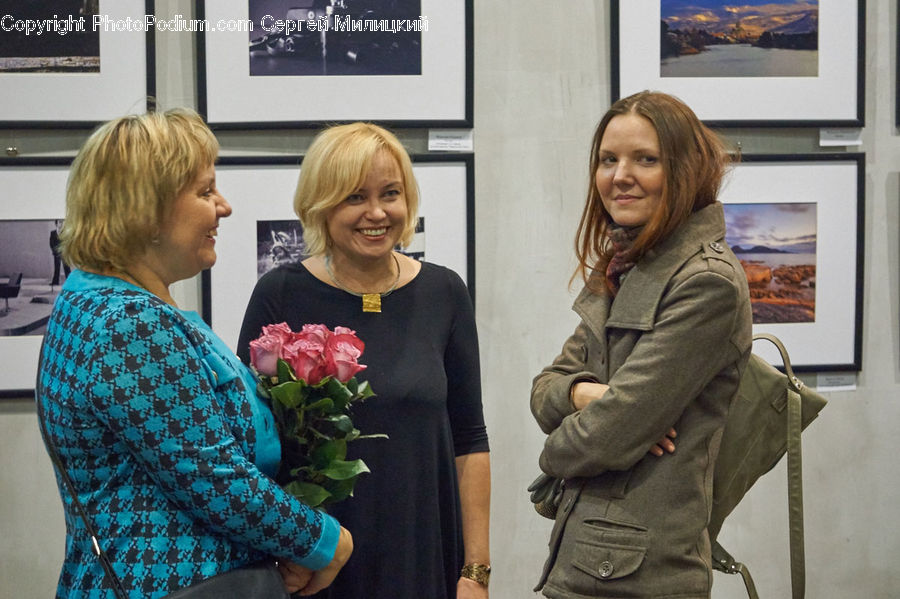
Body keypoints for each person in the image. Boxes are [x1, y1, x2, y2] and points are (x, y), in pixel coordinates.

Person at [35, 108, 352, 598]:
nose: (222, 207)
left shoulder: (95, 298)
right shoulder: (131, 324)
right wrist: (327, 541)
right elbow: (213, 478)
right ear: (147, 211)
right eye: (205, 192)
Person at [237, 122, 492, 599]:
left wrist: (475, 572)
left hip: (423, 554)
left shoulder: (444, 292)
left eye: (390, 193)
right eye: (354, 197)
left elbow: (470, 439)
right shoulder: (280, 294)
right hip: (316, 564)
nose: (376, 213)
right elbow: (248, 444)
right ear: (321, 204)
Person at [530, 91, 752, 598]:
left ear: (685, 169)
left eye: (645, 159)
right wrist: (586, 395)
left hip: (643, 577)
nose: (619, 175)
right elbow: (545, 388)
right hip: (586, 560)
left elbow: (609, 436)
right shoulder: (622, 264)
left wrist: (554, 452)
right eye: (609, 159)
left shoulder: (706, 282)